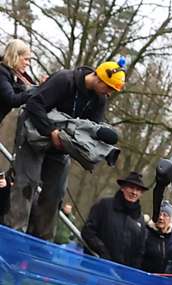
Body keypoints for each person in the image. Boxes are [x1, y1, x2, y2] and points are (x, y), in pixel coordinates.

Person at [2, 59, 124, 240]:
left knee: (56, 192)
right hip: (34, 132)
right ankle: (13, 235)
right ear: (99, 79)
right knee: (27, 184)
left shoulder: (99, 100)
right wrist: (51, 131)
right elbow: (34, 104)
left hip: (60, 146)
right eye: (109, 88)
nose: (109, 93)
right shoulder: (64, 79)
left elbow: (89, 128)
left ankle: (42, 242)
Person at [80, 170, 148, 266]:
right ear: (122, 188)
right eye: (131, 188)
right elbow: (87, 231)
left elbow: (139, 250)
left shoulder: (140, 219)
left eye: (138, 190)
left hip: (121, 275)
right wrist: (102, 252)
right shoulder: (104, 205)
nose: (134, 192)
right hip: (95, 267)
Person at [0, 39, 37, 126]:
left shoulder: (10, 73)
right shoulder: (2, 73)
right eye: (26, 59)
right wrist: (34, 91)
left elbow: (19, 89)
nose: (28, 64)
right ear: (15, 56)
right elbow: (12, 99)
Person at [141, 200, 172, 274]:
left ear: (171, 219)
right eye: (158, 214)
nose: (161, 218)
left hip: (164, 281)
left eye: (165, 215)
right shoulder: (145, 232)